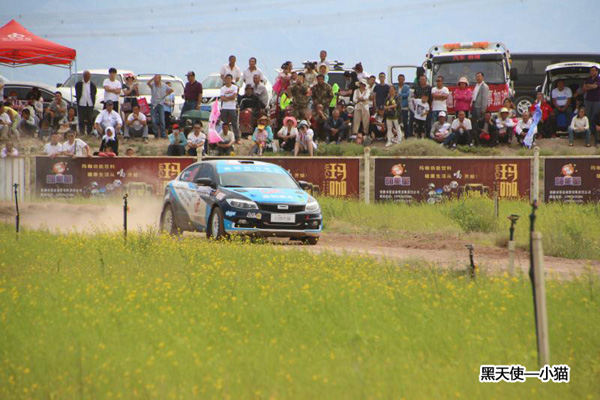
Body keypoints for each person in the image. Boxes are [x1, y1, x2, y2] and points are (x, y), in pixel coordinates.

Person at [148, 74, 173, 139]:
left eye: (156, 78)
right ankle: (156, 135)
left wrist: (165, 94)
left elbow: (171, 90)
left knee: (162, 120)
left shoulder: (164, 86)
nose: (155, 79)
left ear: (159, 79)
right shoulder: (153, 85)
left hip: (161, 104)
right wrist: (152, 78)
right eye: (155, 78)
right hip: (153, 104)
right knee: (153, 120)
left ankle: (163, 135)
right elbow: (148, 83)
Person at [220, 74, 241, 143]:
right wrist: (229, 98)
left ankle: (237, 138)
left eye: (229, 78)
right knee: (225, 123)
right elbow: (222, 98)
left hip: (232, 108)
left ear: (231, 80)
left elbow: (234, 96)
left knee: (234, 124)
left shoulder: (234, 87)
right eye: (227, 78)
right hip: (224, 108)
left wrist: (227, 98)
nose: (228, 80)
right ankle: (225, 138)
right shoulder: (223, 88)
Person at [75, 70, 97, 135]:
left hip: (90, 103)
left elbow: (94, 92)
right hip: (81, 103)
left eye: (88, 76)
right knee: (81, 119)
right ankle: (82, 132)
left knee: (90, 119)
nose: (87, 77)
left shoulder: (92, 85)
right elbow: (78, 92)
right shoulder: (79, 84)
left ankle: (89, 132)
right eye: (86, 76)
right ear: (83, 76)